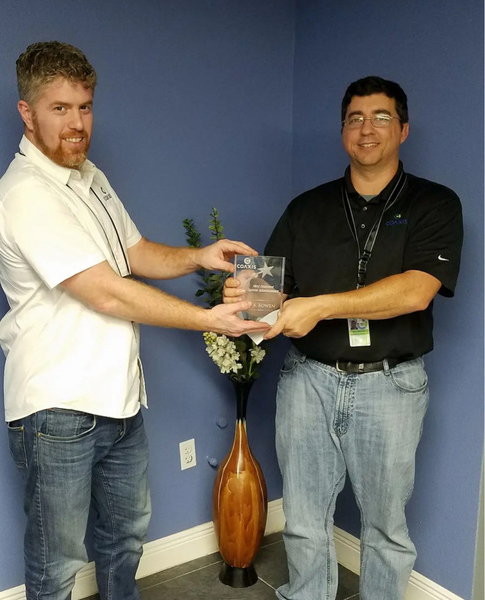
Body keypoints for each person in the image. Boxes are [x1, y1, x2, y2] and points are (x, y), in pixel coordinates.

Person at [0, 41, 268, 600]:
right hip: (58, 412)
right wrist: (210, 319)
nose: (77, 123)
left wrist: (199, 256)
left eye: (85, 107)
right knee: (56, 565)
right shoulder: (24, 194)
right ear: (27, 113)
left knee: (124, 542)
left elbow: (134, 253)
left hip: (120, 402)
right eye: (60, 108)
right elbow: (107, 293)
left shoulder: (90, 177)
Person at [225, 76, 463, 600]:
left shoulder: (436, 203)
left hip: (390, 385)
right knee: (304, 520)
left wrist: (321, 306)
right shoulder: (305, 208)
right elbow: (268, 293)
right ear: (343, 132)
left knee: (385, 530)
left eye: (380, 117)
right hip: (307, 381)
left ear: (403, 129)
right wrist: (243, 295)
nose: (366, 129)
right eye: (355, 118)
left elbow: (417, 291)